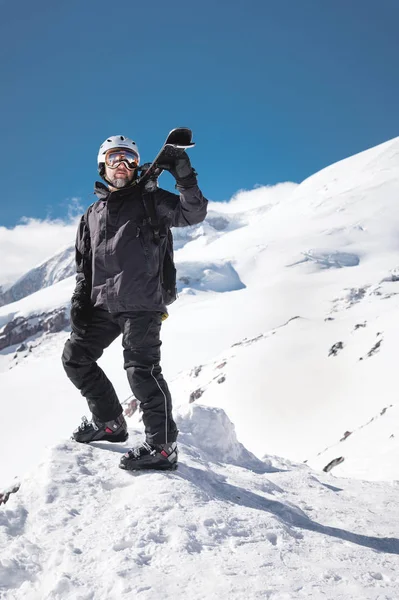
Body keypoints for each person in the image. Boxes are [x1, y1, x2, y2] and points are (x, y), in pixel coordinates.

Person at [61, 134, 208, 470]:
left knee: (141, 371)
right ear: (103, 165)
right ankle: (110, 422)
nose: (122, 166)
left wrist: (184, 176)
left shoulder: (150, 200)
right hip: (104, 304)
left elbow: (193, 213)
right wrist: (80, 301)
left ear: (138, 165)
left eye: (129, 159)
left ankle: (162, 446)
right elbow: (85, 264)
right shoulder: (92, 214)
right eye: (114, 158)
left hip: (142, 302)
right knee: (75, 357)